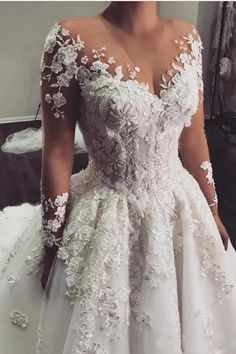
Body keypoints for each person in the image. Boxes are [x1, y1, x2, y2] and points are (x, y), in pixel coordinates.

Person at [1, 1, 236, 353]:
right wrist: (53, 241)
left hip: (179, 208)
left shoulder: (188, 37)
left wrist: (213, 208)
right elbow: (59, 151)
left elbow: (193, 137)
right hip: (107, 207)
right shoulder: (70, 38)